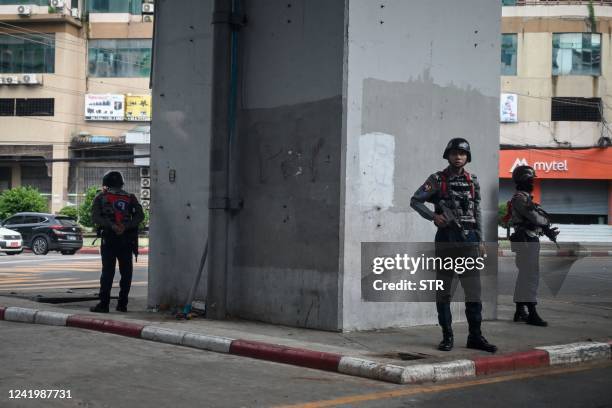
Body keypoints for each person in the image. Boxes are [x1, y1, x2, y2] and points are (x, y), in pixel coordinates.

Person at [411, 138, 497, 353]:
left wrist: (480, 240)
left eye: (462, 153)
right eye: (454, 153)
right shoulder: (437, 179)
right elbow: (416, 200)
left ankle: (475, 337)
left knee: (474, 292)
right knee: (444, 292)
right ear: (447, 155)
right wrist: (433, 217)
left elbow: (477, 212)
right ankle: (447, 336)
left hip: (468, 241)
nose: (458, 157)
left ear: (467, 157)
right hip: (446, 239)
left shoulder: (472, 180)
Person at [509, 165, 558, 327]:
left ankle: (520, 310)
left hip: (528, 240)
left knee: (524, 276)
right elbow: (536, 218)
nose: (532, 183)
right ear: (523, 181)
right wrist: (546, 222)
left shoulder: (525, 197)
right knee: (530, 277)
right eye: (530, 180)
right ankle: (532, 312)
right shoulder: (521, 199)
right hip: (526, 241)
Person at [90, 171, 144, 313]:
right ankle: (122, 304)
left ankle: (104, 304)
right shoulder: (130, 198)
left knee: (107, 272)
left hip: (109, 238)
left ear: (105, 184)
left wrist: (112, 226)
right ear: (121, 183)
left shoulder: (101, 197)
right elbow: (140, 216)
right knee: (126, 272)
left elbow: (96, 217)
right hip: (126, 240)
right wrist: (125, 226)